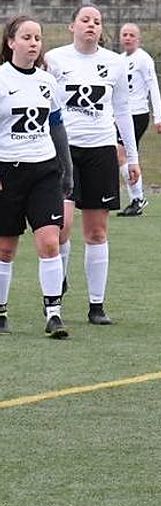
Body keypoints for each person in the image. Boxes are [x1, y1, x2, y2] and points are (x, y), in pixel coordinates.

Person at [45, 4, 141, 325]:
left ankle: (96, 306)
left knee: (97, 232)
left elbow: (123, 110)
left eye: (97, 21)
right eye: (85, 20)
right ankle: (56, 285)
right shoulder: (55, 60)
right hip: (65, 152)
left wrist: (132, 158)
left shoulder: (114, 63)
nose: (91, 25)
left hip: (100, 151)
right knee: (61, 228)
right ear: (72, 26)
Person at [0, 15, 73, 338]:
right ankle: (1, 311)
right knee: (5, 248)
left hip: (43, 170)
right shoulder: (1, 79)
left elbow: (56, 126)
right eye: (26, 37)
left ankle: (53, 313)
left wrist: (66, 168)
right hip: (8, 171)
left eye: (38, 38)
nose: (33, 43)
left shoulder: (47, 81)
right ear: (11, 42)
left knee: (49, 241)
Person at [115, 22, 161, 217]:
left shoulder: (143, 59)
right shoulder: (118, 60)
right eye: (124, 34)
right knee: (121, 156)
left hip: (137, 114)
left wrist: (158, 117)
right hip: (120, 114)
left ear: (138, 39)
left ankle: (138, 198)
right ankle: (135, 199)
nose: (127, 38)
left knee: (121, 154)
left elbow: (153, 87)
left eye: (131, 35)